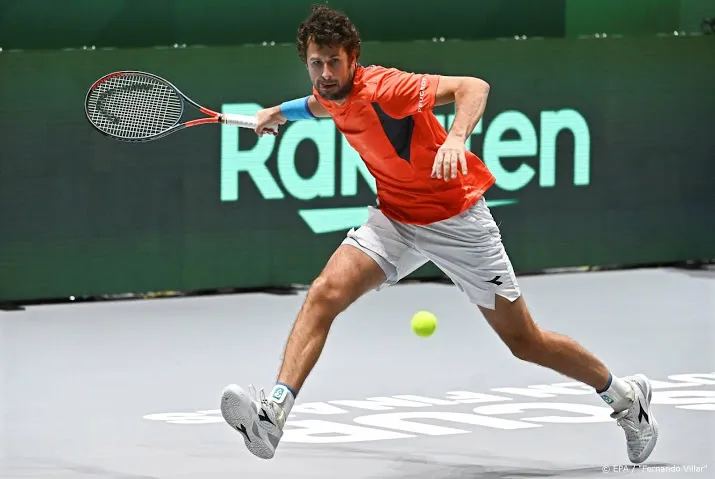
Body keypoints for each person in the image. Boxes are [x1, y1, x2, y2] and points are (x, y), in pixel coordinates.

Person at [220, 4, 658, 464]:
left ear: (353, 59)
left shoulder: (387, 88)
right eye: (316, 63)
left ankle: (626, 398)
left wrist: (456, 137)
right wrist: (277, 113)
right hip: (396, 219)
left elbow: (473, 87)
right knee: (324, 294)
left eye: (334, 62)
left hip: (458, 222)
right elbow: (317, 105)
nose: (326, 73)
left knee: (524, 341)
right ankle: (273, 416)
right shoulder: (329, 92)